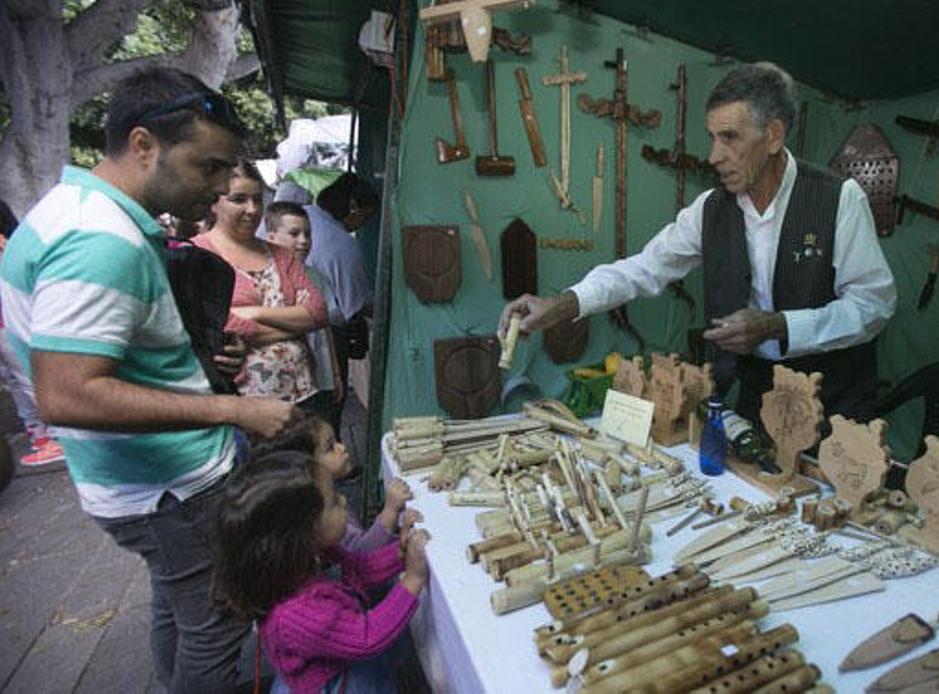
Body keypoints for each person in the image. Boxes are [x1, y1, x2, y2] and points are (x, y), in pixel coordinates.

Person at [0, 67, 296, 693]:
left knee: (179, 609)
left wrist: (191, 370)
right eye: (208, 167)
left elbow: (106, 358)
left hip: (140, 484)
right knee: (218, 628)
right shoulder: (98, 239)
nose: (218, 188)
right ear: (143, 145)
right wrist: (234, 413)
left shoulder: (71, 210)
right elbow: (68, 392)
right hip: (171, 489)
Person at [499, 63, 896, 424]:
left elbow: (873, 304)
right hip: (755, 398)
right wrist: (561, 305)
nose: (713, 156)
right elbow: (644, 268)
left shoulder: (837, 198)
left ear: (773, 135)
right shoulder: (711, 208)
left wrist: (779, 326)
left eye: (730, 138)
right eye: (712, 138)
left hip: (835, 406)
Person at [211, 451, 429, 694]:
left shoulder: (311, 556)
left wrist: (401, 552)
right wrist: (412, 580)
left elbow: (359, 569)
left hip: (345, 659)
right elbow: (367, 637)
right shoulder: (296, 614)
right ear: (301, 533)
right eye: (334, 501)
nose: (345, 500)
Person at [193, 161, 328, 406]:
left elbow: (318, 312)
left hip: (302, 395)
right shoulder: (196, 256)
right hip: (239, 405)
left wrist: (252, 313)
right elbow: (221, 328)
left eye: (257, 199)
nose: (253, 209)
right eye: (239, 199)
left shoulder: (280, 255)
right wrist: (297, 324)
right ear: (213, 202)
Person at [251, 412, 421, 553]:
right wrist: (390, 511)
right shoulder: (322, 513)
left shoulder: (328, 493)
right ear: (305, 464)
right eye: (329, 447)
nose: (342, 447)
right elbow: (361, 554)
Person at [305, 172, 379, 433]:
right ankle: (329, 466)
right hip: (324, 334)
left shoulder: (304, 214)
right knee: (328, 403)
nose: (362, 224)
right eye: (365, 217)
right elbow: (356, 305)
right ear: (353, 207)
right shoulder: (341, 244)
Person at [264, 202, 343, 425]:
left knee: (324, 433)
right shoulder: (267, 280)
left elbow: (326, 328)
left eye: (307, 234)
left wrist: (336, 374)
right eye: (294, 234)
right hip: (286, 382)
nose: (303, 241)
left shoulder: (316, 277)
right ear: (271, 238)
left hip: (322, 377)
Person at [0, 200, 65, 466]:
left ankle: (59, 436)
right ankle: (41, 437)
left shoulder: (10, 247)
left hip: (8, 317)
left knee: (26, 375)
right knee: (15, 380)